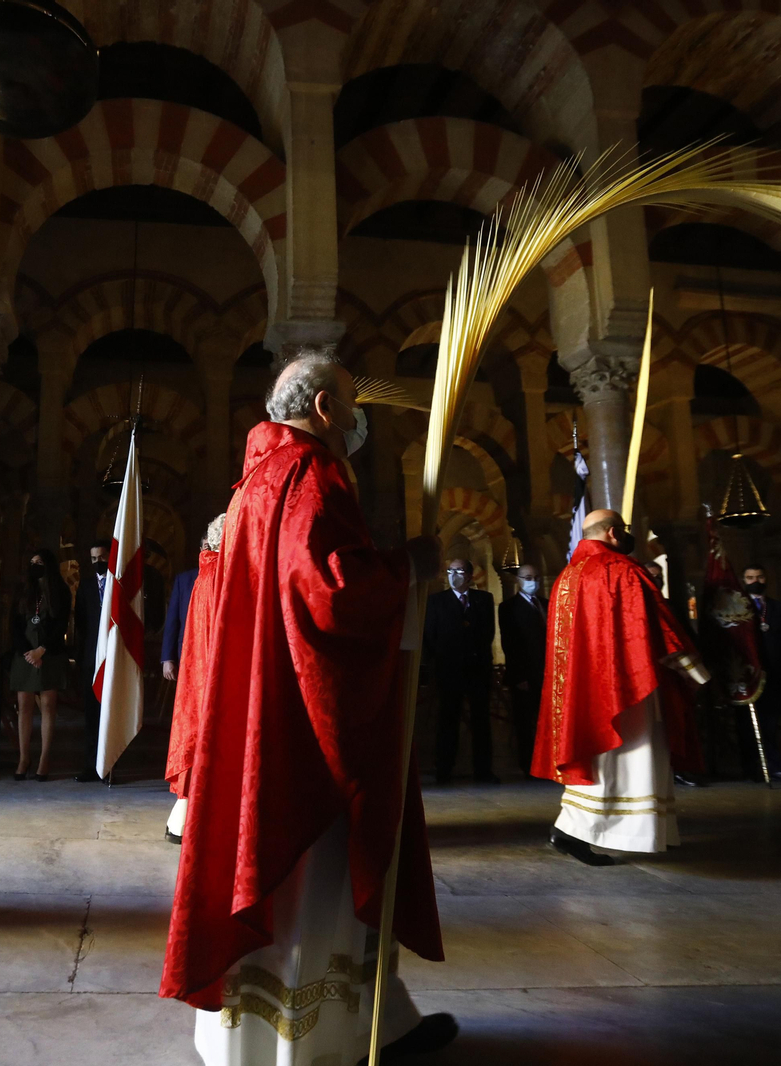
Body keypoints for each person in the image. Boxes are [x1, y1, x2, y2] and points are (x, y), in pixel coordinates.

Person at [161, 352, 455, 1066]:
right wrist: (407, 568)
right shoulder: (310, 475)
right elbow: (331, 590)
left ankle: (369, 1025)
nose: (354, 423)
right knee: (316, 881)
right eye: (351, 408)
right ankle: (319, 1042)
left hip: (265, 712)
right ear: (324, 407)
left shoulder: (253, 484)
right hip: (302, 725)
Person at [532, 509, 708, 866]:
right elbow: (657, 625)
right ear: (613, 533)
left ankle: (633, 831)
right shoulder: (622, 570)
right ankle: (572, 832)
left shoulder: (567, 577)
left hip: (584, 691)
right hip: (626, 688)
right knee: (629, 762)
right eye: (625, 531)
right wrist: (695, 671)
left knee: (604, 764)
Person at [164, 514, 224, 844]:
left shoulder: (207, 573)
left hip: (201, 678)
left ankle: (182, 820)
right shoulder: (220, 577)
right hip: (214, 678)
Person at [424, 556, 498, 784]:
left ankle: (483, 770)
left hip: (477, 669)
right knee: (448, 720)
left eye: (458, 571)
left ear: (468, 575)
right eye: (449, 571)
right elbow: (430, 637)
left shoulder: (483, 600)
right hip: (449, 670)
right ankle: (444, 769)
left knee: (481, 721)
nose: (453, 575)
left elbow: (487, 634)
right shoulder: (437, 602)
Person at [8, 548, 70, 781]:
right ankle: (24, 757)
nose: (35, 566)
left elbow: (61, 624)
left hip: (49, 652)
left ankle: (44, 757)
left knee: (48, 705)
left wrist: (42, 649)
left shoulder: (60, 591)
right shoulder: (23, 590)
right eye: (32, 562)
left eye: (40, 562)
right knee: (24, 705)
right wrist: (27, 651)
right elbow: (14, 623)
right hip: (25, 653)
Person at [743, 564, 781, 783]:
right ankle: (751, 769)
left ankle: (776, 767)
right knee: (748, 726)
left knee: (772, 724)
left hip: (776, 674)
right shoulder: (737, 608)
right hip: (747, 676)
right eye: (749, 578)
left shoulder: (779, 608)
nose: (755, 580)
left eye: (759, 576)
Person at [498, 563, 547, 777]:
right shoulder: (509, 607)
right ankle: (529, 765)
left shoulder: (546, 604)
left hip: (548, 674)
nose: (532, 581)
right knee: (525, 723)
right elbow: (510, 644)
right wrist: (519, 676)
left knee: (547, 722)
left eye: (536, 576)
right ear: (518, 580)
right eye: (527, 577)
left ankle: (547, 763)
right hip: (525, 675)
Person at [73, 538, 109, 782]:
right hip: (90, 659)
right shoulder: (85, 586)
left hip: (113, 658)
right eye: (94, 559)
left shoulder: (119, 584)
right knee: (92, 715)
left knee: (111, 713)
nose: (98, 562)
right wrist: (79, 659)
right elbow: (80, 625)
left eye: (102, 558)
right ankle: (91, 764)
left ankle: (109, 765)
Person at [162, 561, 199, 683]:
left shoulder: (229, 577)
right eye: (206, 547)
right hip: (186, 656)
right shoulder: (184, 580)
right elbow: (173, 620)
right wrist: (168, 658)